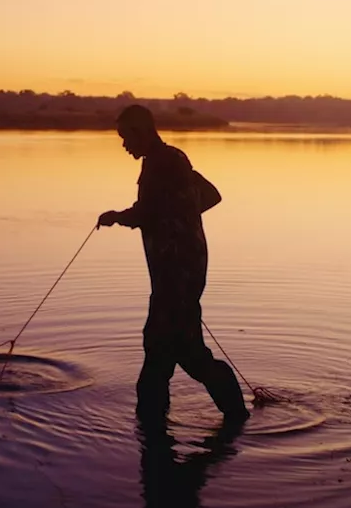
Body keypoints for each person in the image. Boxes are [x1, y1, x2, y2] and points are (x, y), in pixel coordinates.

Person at [98, 104, 250, 424]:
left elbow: (147, 213)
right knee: (160, 347)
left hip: (176, 274)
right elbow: (209, 196)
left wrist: (116, 218)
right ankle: (153, 422)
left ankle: (233, 415)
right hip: (181, 271)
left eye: (126, 137)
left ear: (142, 132)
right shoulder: (171, 159)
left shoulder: (163, 164)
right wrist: (182, 219)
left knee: (185, 352)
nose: (124, 145)